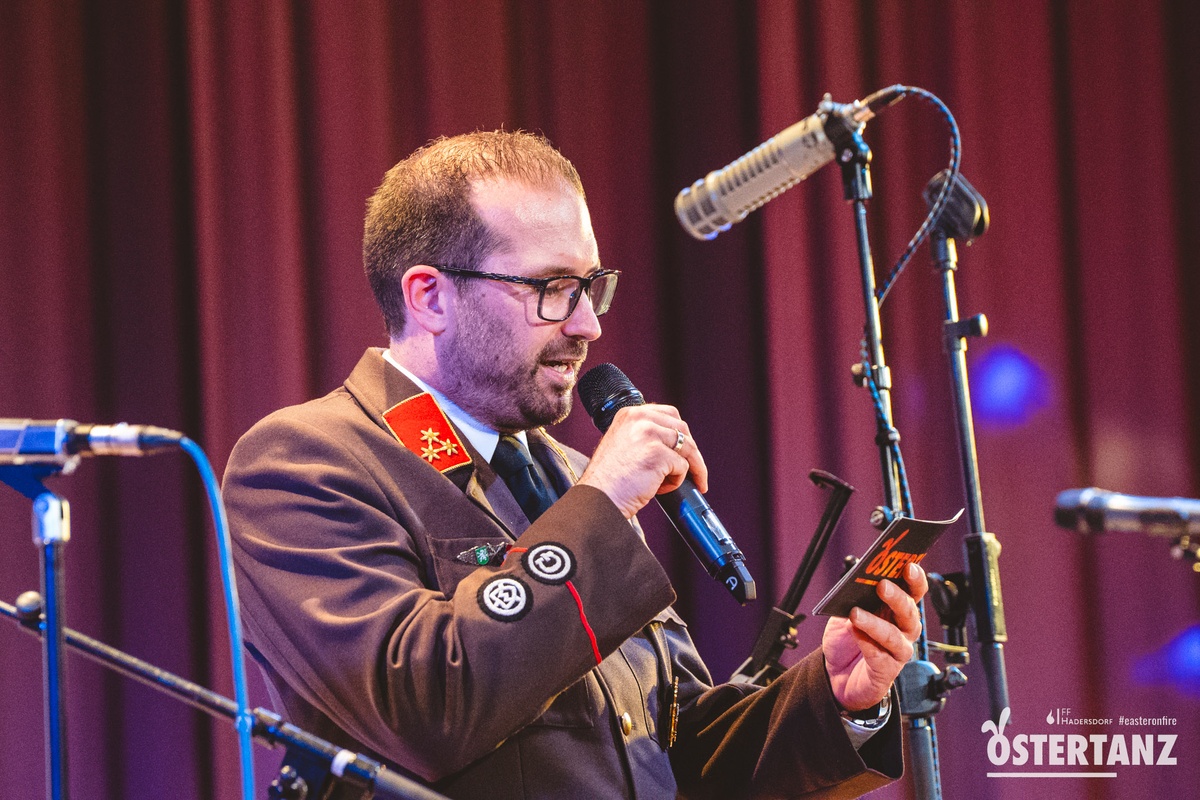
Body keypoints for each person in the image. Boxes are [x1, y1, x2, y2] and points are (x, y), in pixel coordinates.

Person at [223, 130, 927, 799]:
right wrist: (601, 504)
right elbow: (422, 709)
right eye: (552, 288)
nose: (588, 323)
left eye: (591, 286)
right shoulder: (308, 461)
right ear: (430, 296)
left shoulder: (570, 474)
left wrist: (836, 699)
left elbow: (669, 753)